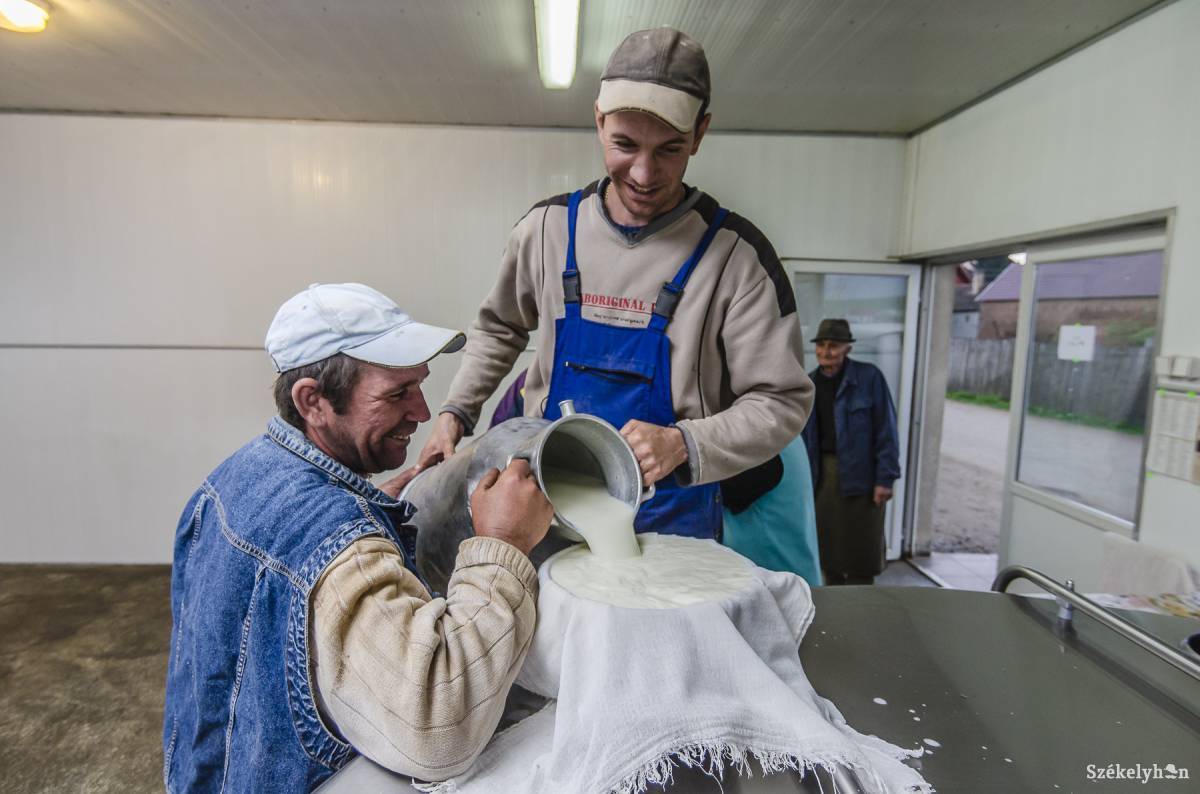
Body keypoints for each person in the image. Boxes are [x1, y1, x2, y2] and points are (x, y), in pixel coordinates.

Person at [421, 27, 813, 539]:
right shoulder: (547, 231)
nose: (645, 175)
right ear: (599, 120)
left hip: (672, 519)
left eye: (670, 150)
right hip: (544, 505)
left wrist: (685, 443)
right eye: (624, 145)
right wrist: (455, 412)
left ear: (700, 133)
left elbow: (781, 402)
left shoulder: (737, 259)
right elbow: (499, 329)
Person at [162, 283, 555, 793]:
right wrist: (504, 545)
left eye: (419, 386)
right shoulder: (341, 548)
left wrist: (370, 510)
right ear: (313, 401)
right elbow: (439, 732)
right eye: (396, 394)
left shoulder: (227, 482)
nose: (420, 412)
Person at [801, 318, 901, 585]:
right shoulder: (808, 385)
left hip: (863, 478)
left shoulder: (869, 378)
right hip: (821, 478)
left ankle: (862, 610)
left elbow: (886, 429)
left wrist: (885, 478)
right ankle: (835, 608)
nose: (826, 351)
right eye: (821, 345)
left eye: (833, 345)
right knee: (828, 554)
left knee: (861, 556)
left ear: (848, 348)